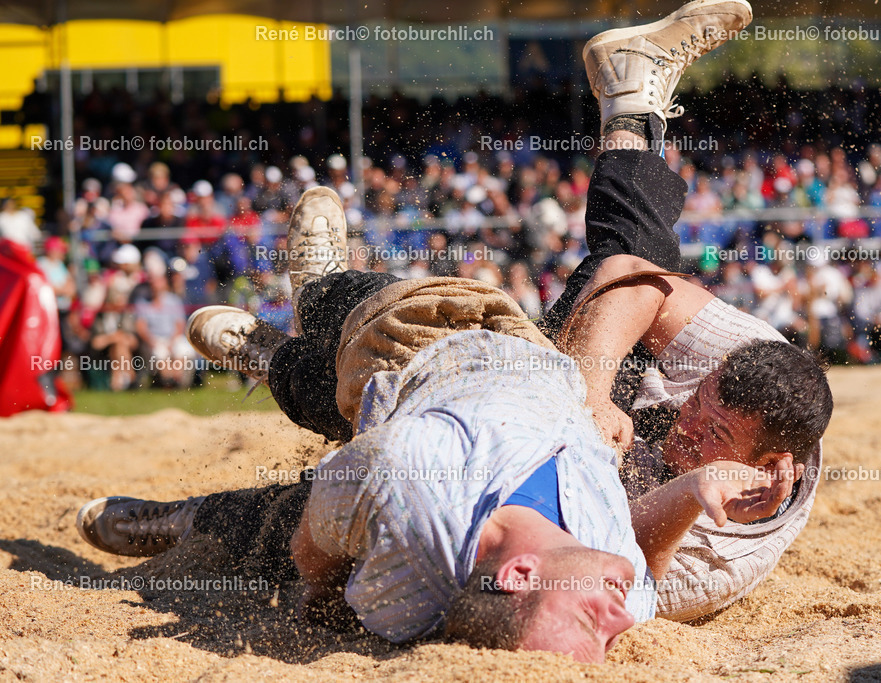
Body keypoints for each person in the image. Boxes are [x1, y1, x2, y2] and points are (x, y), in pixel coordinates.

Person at [76, 0, 829, 659]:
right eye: (702, 407)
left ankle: (252, 405)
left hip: (550, 480)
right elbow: (633, 283)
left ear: (770, 470)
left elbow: (618, 567)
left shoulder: (714, 557)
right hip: (558, 386)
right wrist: (586, 392)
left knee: (372, 449)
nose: (691, 426)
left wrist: (690, 487)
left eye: (714, 436)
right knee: (584, 283)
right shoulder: (760, 366)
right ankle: (630, 106)